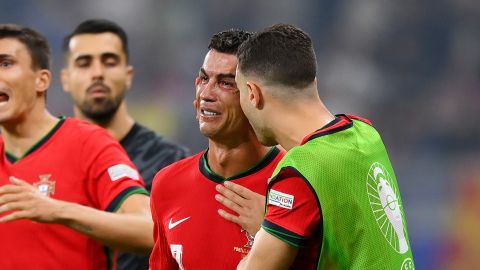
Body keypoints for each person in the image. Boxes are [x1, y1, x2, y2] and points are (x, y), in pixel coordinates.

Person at [229, 23, 416, 269]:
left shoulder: (299, 173)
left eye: (239, 91)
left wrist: (266, 231)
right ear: (313, 82)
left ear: (253, 93)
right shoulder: (366, 133)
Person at [0, 24, 153, 270]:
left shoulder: (88, 143)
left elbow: (150, 230)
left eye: (6, 63)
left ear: (42, 80)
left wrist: (59, 210)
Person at [148, 29, 285, 269]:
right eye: (203, 79)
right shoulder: (167, 185)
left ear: (254, 95)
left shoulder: (295, 181)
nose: (206, 94)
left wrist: (275, 234)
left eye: (225, 83)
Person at [61, 19, 189, 270]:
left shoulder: (171, 163)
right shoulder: (50, 155)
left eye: (109, 62)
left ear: (128, 75)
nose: (97, 73)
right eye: (84, 63)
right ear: (65, 79)